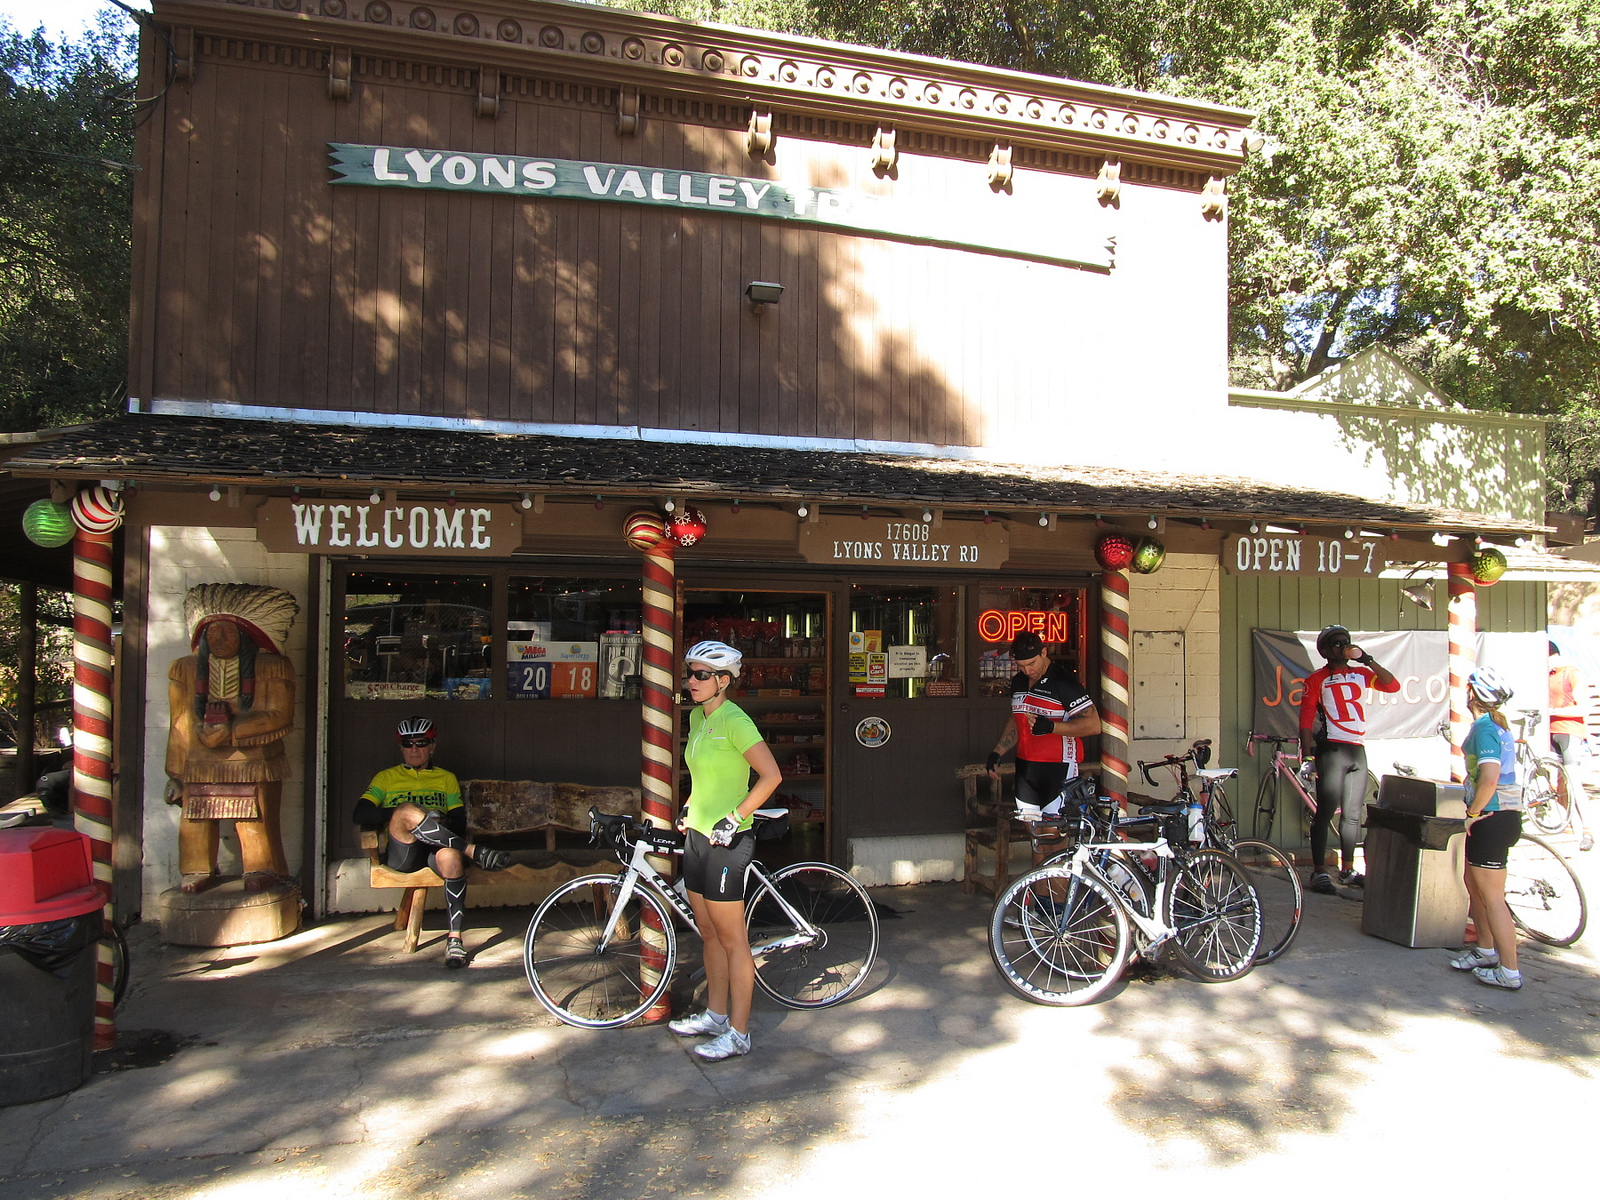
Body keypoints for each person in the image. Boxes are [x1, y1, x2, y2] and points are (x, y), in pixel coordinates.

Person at [667, 640, 783, 1061]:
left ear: (723, 681)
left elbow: (771, 776)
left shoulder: (736, 720)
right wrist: (689, 808)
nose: (691, 681)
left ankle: (739, 1033)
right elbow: (704, 778)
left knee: (734, 941)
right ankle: (715, 1016)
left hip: (728, 841)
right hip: (698, 836)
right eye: (690, 674)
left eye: (701, 675)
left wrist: (735, 817)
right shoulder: (697, 716)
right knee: (709, 933)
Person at [163, 584, 299, 895]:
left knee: (254, 818)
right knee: (196, 819)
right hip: (199, 763)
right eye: (211, 632)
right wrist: (175, 773)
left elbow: (280, 715)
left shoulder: (272, 667)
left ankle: (261, 867)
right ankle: (197, 868)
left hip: (251, 761)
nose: (219, 639)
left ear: (247, 636)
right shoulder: (184, 670)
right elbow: (178, 722)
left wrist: (234, 731)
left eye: (228, 631)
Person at [351, 716, 510, 969]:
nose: (414, 749)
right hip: (404, 852)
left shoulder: (446, 778)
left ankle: (455, 939)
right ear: (401, 748)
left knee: (451, 856)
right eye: (408, 744)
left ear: (432, 746)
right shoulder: (386, 777)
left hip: (436, 849)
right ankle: (472, 851)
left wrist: (438, 821)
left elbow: (459, 821)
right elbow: (360, 814)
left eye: (421, 743)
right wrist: (405, 813)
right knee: (406, 810)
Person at [1298, 624, 1401, 894]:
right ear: (1324, 651)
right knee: (1325, 811)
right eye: (1337, 643)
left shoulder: (1361, 674)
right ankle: (1319, 870)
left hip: (1357, 749)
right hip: (1332, 749)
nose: (1343, 647)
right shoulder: (1317, 679)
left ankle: (1347, 869)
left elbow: (1392, 685)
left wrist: (1366, 659)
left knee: (1353, 814)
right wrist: (1306, 755)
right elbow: (1306, 719)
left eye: (1346, 642)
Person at [986, 630, 1101, 864]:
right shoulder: (1018, 682)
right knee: (1037, 841)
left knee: (1053, 843)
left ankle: (1060, 890)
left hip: (1058, 768)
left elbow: (1094, 725)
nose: (1028, 670)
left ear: (1044, 653)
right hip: (1026, 769)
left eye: (1032, 663)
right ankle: (1039, 888)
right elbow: (1017, 718)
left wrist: (1052, 727)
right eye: (1021, 666)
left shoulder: (1063, 681)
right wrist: (998, 751)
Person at [1449, 667, 1525, 989]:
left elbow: (1490, 777)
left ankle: (1509, 971)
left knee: (1493, 897)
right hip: (1498, 817)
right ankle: (1484, 950)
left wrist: (1473, 812)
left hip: (1491, 817)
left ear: (1471, 693)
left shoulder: (1484, 728)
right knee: (1474, 885)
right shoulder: (1497, 724)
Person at [1547, 641, 1593, 852]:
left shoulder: (1572, 673)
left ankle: (1588, 830)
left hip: (1569, 732)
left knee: (1573, 781)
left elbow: (1584, 709)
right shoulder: (1546, 675)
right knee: (1556, 784)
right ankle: (1569, 827)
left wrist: (1553, 712)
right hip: (1548, 733)